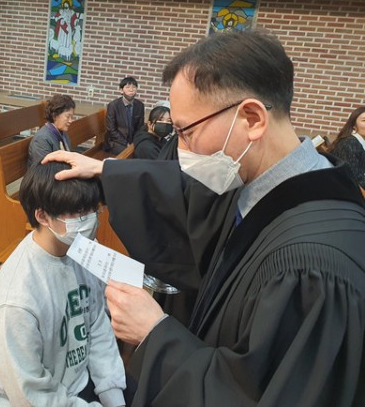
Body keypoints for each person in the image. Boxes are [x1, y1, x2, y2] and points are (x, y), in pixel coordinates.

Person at [44, 29, 365, 405]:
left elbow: (256, 395)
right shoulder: (269, 182)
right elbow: (185, 191)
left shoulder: (314, 270)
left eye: (186, 132)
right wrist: (106, 171)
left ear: (251, 119)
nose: (181, 151)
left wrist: (155, 334)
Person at [0, 161, 127, 407]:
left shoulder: (79, 248)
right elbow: (31, 395)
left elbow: (97, 324)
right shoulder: (15, 301)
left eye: (94, 209)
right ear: (42, 216)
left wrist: (113, 397)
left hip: (76, 385)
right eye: (79, 212)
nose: (90, 220)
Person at [28, 94, 75, 167]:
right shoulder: (41, 139)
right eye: (68, 116)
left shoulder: (63, 135)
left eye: (72, 117)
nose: (70, 121)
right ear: (55, 115)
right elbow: (45, 169)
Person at [104, 76, 145, 155]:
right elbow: (111, 130)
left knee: (144, 149)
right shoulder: (113, 106)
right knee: (129, 153)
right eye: (127, 87)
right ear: (121, 90)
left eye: (134, 87)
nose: (131, 90)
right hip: (115, 142)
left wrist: (134, 142)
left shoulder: (140, 105)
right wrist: (126, 143)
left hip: (132, 141)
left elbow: (140, 128)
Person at [328, 106, 365, 189]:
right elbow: (353, 178)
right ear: (353, 125)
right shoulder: (350, 143)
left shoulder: (359, 142)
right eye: (364, 120)